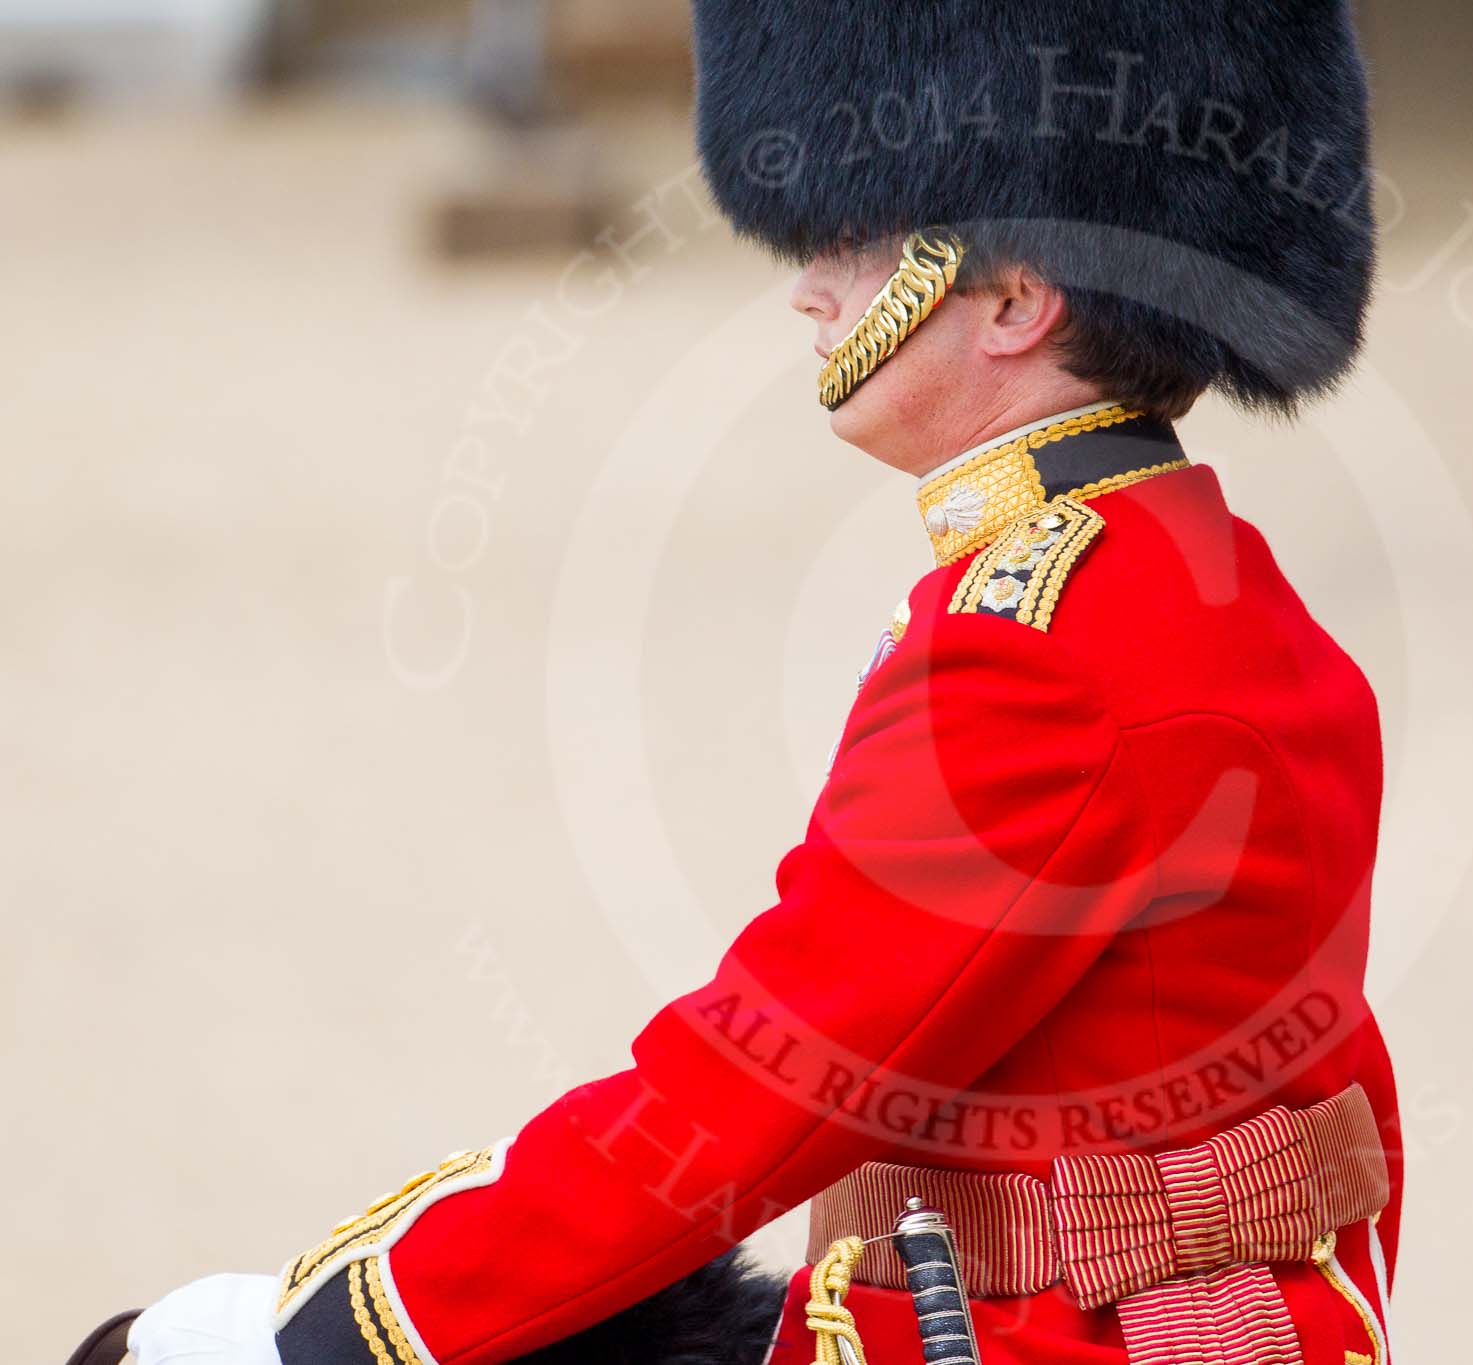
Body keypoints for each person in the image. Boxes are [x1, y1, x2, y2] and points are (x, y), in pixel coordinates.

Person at [124, 2, 1402, 1363]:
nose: (814, 286)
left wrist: (350, 1326)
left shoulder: (1041, 648)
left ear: (1018, 298)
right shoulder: (1211, 582)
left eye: (860, 243)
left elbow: (758, 1090)